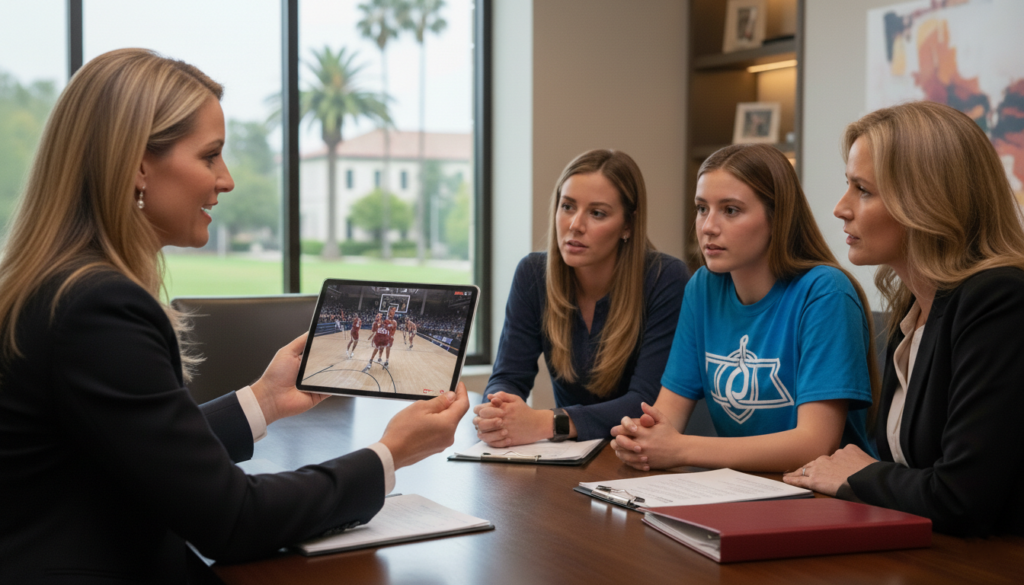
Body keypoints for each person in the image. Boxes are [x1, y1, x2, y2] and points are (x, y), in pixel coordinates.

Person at [0, 49, 469, 583]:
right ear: (137, 164)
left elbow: (134, 453)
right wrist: (389, 455)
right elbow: (231, 518)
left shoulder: (60, 287)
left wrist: (263, 400)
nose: (226, 180)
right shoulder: (99, 308)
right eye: (210, 156)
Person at [784, 101, 1024, 537]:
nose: (840, 208)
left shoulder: (1000, 298)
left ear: (926, 200)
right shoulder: (915, 305)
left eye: (863, 190)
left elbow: (961, 498)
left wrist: (860, 473)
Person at [611, 144, 877, 473]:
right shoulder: (702, 288)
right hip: (740, 490)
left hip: (824, 498)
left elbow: (815, 444)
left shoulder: (825, 292)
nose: (708, 226)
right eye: (701, 208)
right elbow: (666, 417)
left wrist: (681, 448)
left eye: (731, 210)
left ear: (777, 217)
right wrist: (640, 438)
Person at [473, 149, 689, 446]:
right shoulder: (533, 274)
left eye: (597, 213)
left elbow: (645, 404)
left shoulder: (665, 278)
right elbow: (509, 375)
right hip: (568, 459)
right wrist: (496, 411)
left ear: (628, 225)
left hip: (639, 459)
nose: (575, 224)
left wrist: (547, 422)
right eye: (568, 206)